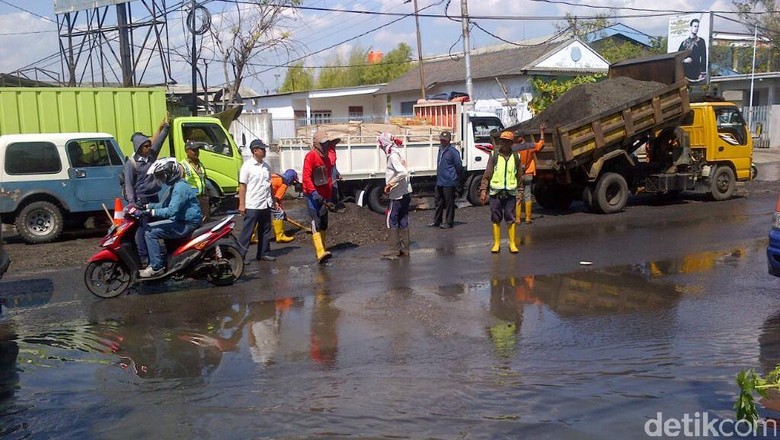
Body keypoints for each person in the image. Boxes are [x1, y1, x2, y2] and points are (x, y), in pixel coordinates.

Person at [139, 158, 202, 278]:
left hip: (186, 224)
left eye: (163, 175)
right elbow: (164, 205)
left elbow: (171, 211)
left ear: (170, 173)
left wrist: (150, 212)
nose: (162, 179)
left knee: (149, 232)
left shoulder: (180, 188)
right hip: (181, 221)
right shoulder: (175, 186)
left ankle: (156, 267)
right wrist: (146, 206)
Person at [123, 116, 170, 267]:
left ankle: (158, 254)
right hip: (141, 201)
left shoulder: (151, 157)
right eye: (145, 146)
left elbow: (159, 142)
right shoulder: (131, 164)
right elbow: (129, 185)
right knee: (143, 229)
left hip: (154, 198)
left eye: (149, 145)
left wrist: (166, 128)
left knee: (157, 227)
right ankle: (144, 258)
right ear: (138, 148)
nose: (149, 148)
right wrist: (132, 203)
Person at [479, 130, 523, 253]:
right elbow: (487, 174)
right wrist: (483, 190)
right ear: (500, 142)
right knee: (495, 217)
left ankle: (512, 243)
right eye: (503, 141)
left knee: (511, 217)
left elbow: (519, 176)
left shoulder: (516, 157)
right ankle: (496, 243)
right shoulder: (494, 156)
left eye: (508, 142)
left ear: (512, 143)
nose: (505, 144)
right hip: (495, 192)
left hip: (511, 192)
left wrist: (520, 191)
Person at [237, 139, 276, 263]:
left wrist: (273, 201)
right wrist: (242, 204)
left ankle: (263, 253)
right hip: (253, 204)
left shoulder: (266, 167)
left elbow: (269, 185)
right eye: (262, 149)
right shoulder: (247, 166)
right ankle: (240, 256)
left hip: (265, 203)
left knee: (265, 229)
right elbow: (242, 186)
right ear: (255, 151)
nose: (264, 151)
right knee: (247, 232)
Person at [378, 132, 412, 259]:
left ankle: (394, 249)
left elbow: (402, 172)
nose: (380, 146)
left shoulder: (392, 156)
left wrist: (390, 184)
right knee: (403, 218)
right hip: (406, 191)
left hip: (397, 194)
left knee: (391, 219)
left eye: (381, 144)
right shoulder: (398, 151)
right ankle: (405, 249)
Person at [302, 130, 335, 263]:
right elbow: (306, 177)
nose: (326, 146)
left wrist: (329, 195)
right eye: (323, 143)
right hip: (312, 195)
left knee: (323, 222)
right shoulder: (310, 156)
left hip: (324, 195)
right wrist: (313, 192)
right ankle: (320, 251)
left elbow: (327, 178)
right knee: (316, 220)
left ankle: (323, 247)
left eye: (327, 143)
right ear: (316, 144)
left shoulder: (327, 157)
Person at [430, 130, 464, 229]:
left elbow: (458, 166)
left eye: (445, 140)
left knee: (449, 203)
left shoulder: (453, 152)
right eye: (441, 139)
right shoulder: (440, 150)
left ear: (449, 140)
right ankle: (437, 221)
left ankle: (449, 222)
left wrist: (457, 179)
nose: (442, 141)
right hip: (440, 181)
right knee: (438, 202)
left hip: (449, 181)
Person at [514, 124, 546, 224]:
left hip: (518, 176)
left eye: (516, 137)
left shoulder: (513, 149)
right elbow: (541, 144)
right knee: (527, 196)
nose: (515, 139)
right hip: (528, 174)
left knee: (518, 196)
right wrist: (542, 131)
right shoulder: (530, 146)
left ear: (520, 137)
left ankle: (518, 219)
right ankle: (528, 218)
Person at [180, 141, 210, 222]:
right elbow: (179, 184)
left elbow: (204, 179)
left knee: (205, 222)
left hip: (203, 199)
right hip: (191, 200)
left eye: (197, 150)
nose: (196, 152)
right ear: (187, 151)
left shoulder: (200, 164)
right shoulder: (183, 165)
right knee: (194, 221)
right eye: (193, 150)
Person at [270, 169, 298, 243]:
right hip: (268, 197)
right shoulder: (284, 182)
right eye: (293, 181)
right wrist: (282, 212)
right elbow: (277, 198)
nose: (292, 183)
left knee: (257, 216)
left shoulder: (276, 176)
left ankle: (251, 237)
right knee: (279, 213)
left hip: (257, 196)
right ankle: (280, 236)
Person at [678, 18, 707, 83]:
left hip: (696, 72)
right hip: (685, 73)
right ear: (690, 27)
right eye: (695, 26)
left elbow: (703, 57)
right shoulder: (684, 43)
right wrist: (684, 60)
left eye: (698, 26)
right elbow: (678, 57)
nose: (696, 28)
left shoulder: (701, 41)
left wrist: (702, 72)